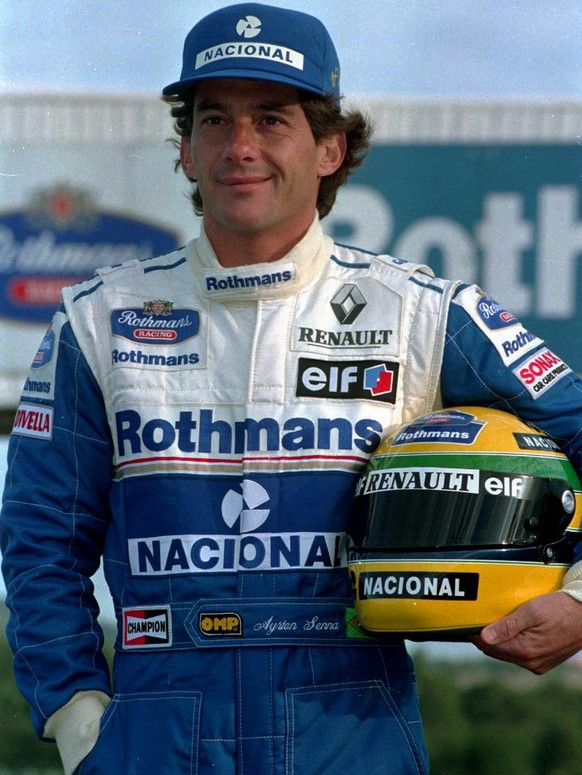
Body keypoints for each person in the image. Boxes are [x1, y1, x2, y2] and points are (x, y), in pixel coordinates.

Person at [2, 3, 582, 774]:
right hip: (154, 724)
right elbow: (40, 536)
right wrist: (74, 711)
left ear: (331, 148)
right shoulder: (95, 319)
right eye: (214, 120)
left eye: (271, 120)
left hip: (349, 716)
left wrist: (577, 599)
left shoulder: (423, 311)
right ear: (184, 148)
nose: (239, 148)